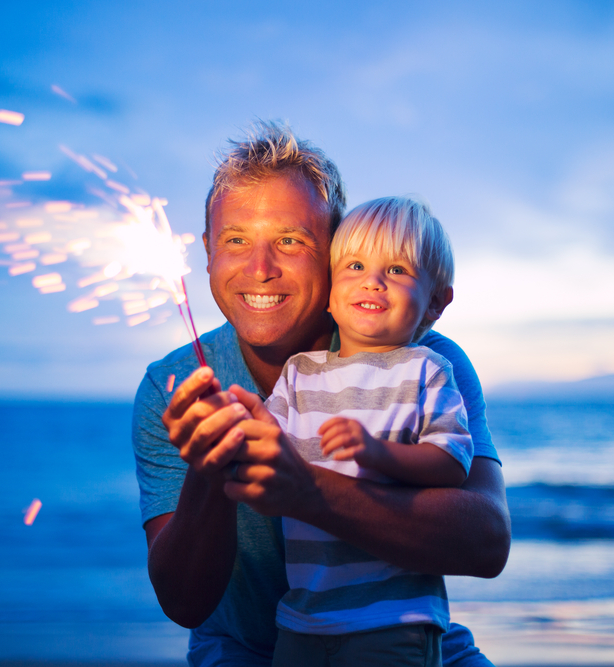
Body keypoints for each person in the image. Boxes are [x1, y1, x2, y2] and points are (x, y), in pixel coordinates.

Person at [132, 121, 511, 667]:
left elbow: (486, 541)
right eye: (236, 241)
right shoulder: (172, 388)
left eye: (290, 240)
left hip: (405, 638)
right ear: (209, 254)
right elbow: (185, 603)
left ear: (333, 252)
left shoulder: (425, 359)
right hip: (246, 650)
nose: (260, 270)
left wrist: (309, 490)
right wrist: (211, 470)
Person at [266, 196, 476, 666]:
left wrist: (380, 454)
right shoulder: (300, 373)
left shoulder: (427, 370)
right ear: (328, 287)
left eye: (398, 270)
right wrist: (225, 414)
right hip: (303, 617)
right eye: (355, 265)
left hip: (394, 620)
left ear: (436, 302)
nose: (372, 281)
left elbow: (452, 461)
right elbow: (264, 439)